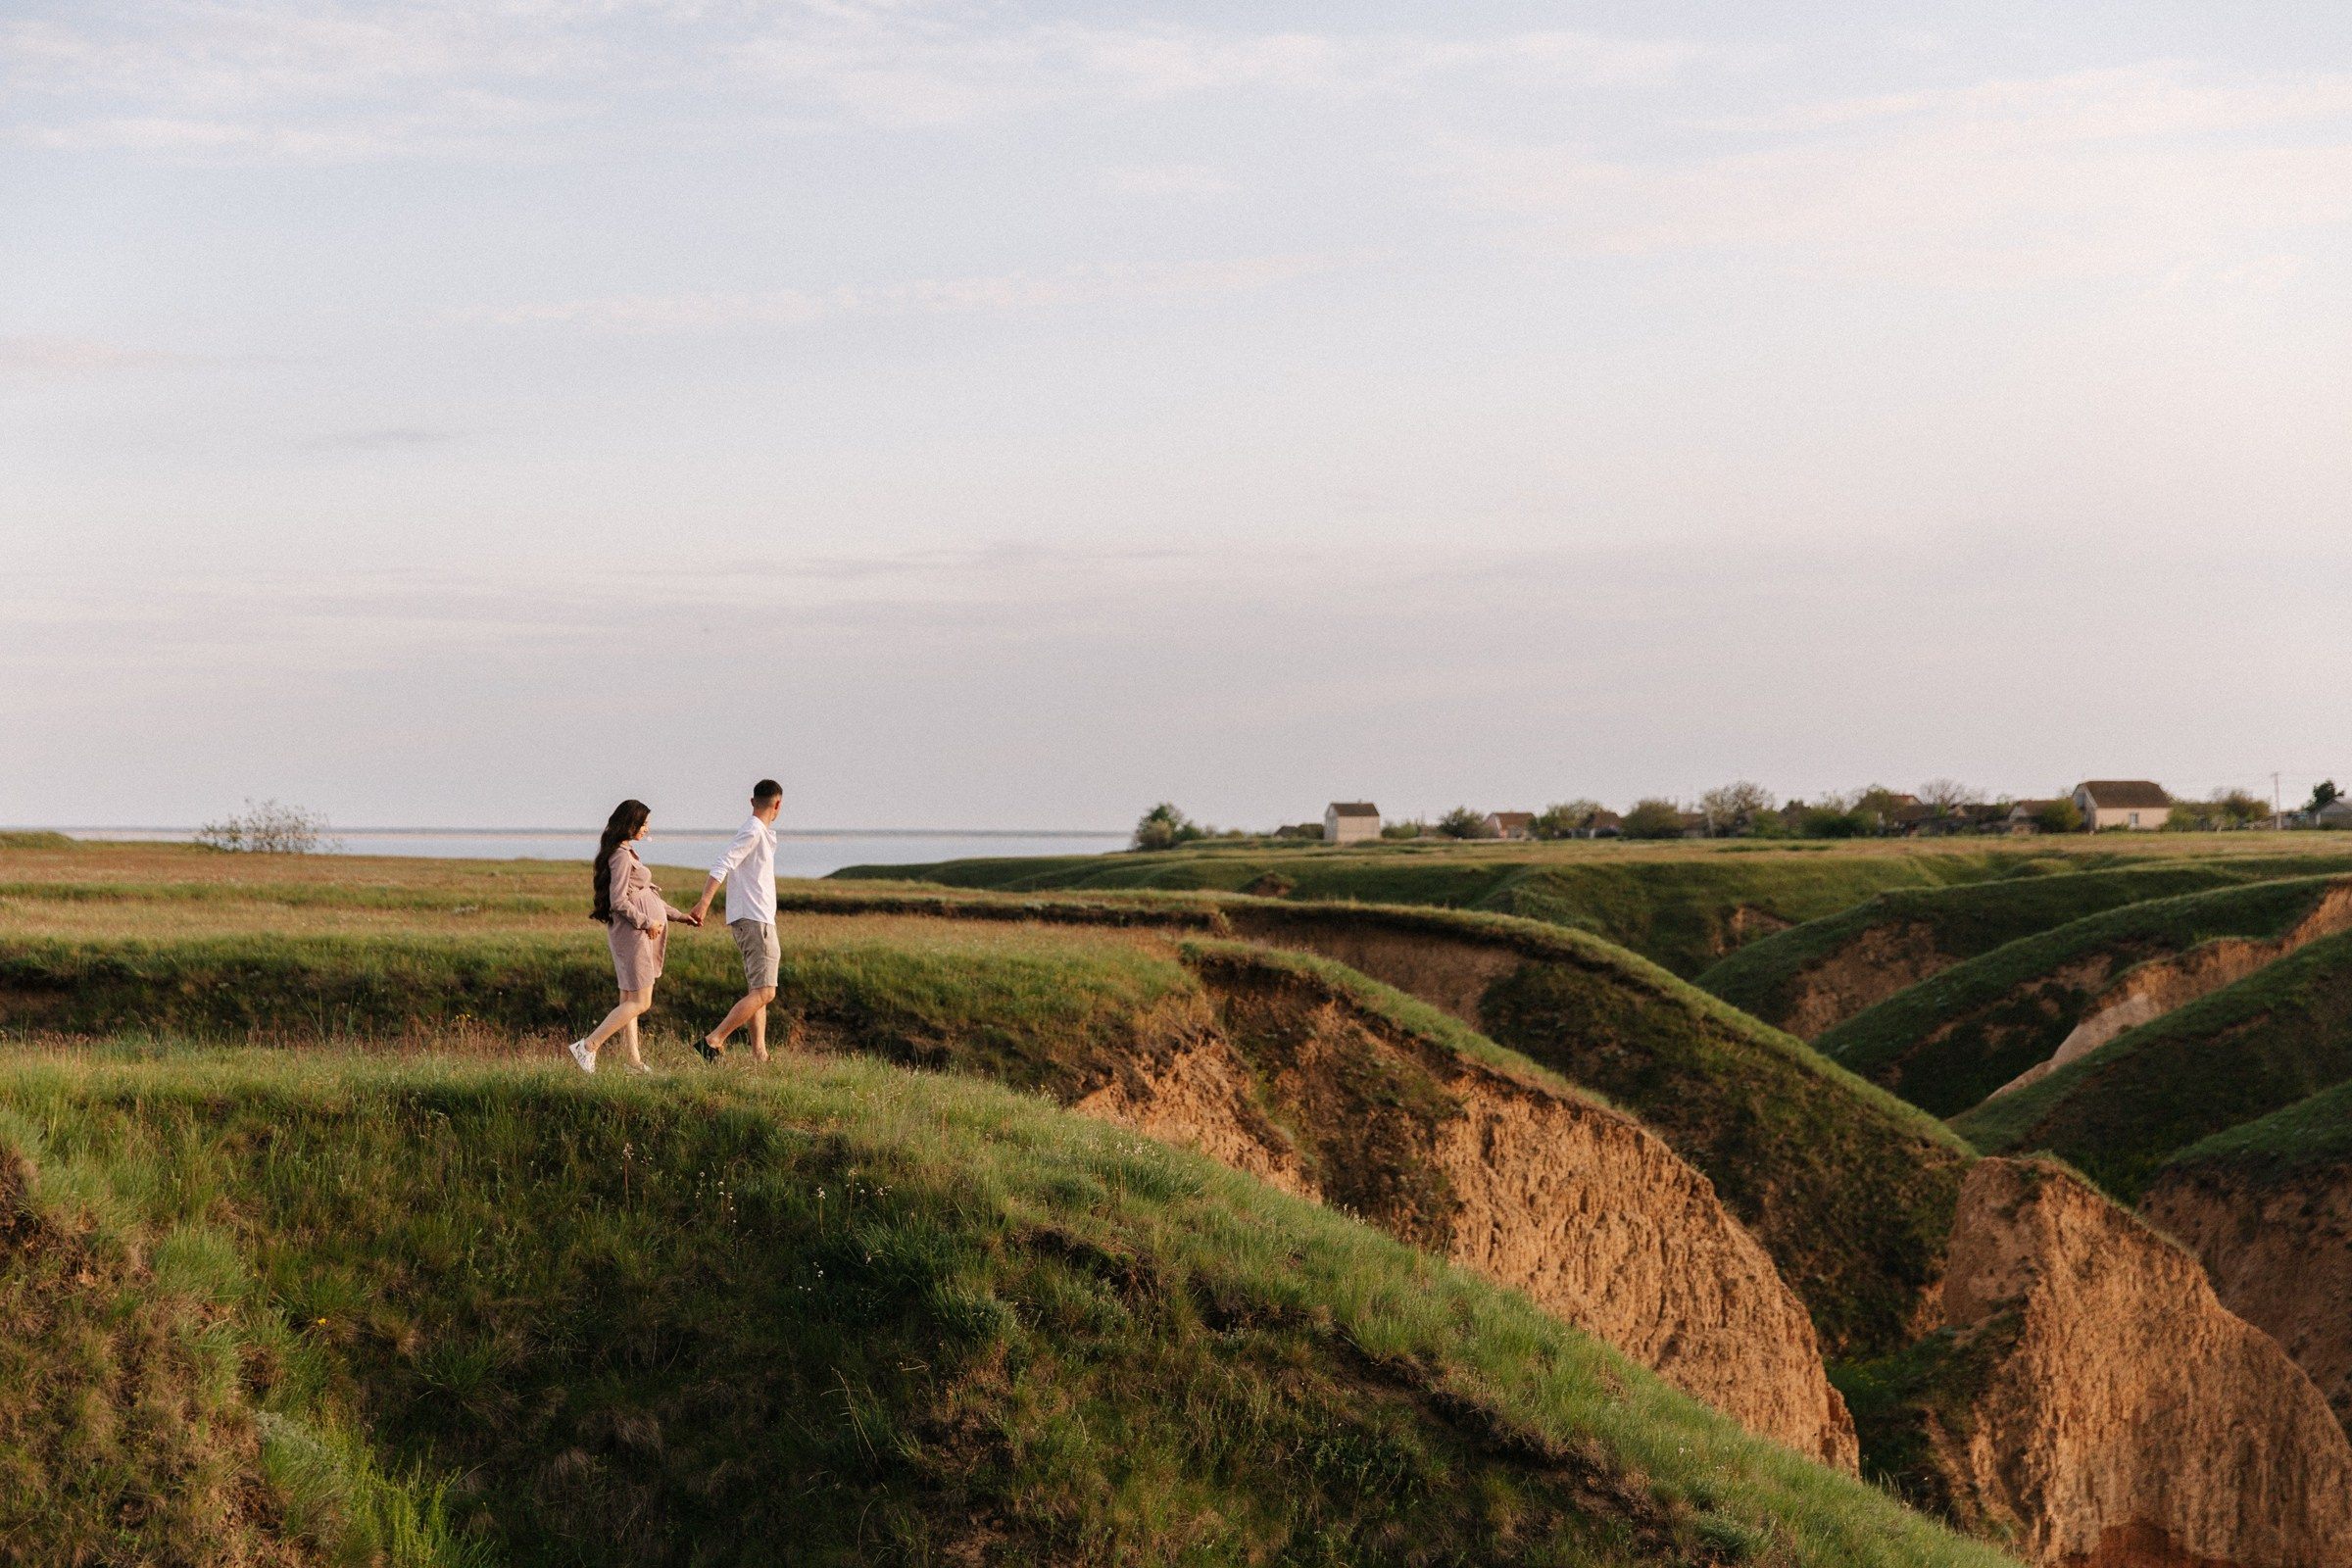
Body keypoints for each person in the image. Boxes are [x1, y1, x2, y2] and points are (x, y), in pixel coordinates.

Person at [569, 799, 698, 1074]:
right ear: (630, 823)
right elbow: (619, 901)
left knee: (629, 999)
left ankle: (633, 1062)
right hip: (633, 934)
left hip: (636, 932)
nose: (646, 829)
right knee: (641, 1001)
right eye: (644, 824)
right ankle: (588, 1046)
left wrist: (678, 915)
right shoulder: (620, 856)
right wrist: (646, 921)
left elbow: (645, 895)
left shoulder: (626, 853)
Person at [689, 778, 782, 1061]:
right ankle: (713, 1040)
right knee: (766, 992)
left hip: (749, 919)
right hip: (756, 920)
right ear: (777, 804)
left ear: (753, 801)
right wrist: (704, 903)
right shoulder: (754, 830)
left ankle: (759, 1054)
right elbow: (722, 863)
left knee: (757, 989)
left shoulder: (755, 830)